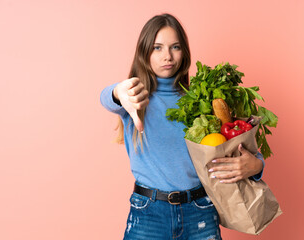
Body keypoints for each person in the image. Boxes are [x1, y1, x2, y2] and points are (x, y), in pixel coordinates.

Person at [100, 13, 264, 240]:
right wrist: (119, 93)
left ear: (184, 52)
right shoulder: (135, 98)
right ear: (144, 51)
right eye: (157, 48)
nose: (167, 56)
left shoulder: (203, 101)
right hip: (148, 214)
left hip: (200, 211)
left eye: (175, 47)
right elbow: (106, 97)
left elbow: (239, 144)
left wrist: (256, 166)